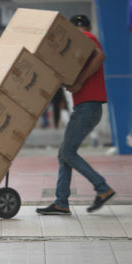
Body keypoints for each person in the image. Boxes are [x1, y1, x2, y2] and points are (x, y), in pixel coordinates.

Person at [37, 14, 115, 215]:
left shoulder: (86, 37)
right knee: (65, 154)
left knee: (67, 153)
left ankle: (102, 187)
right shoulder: (77, 52)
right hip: (85, 107)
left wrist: (79, 82)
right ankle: (61, 202)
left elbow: (100, 56)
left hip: (88, 107)